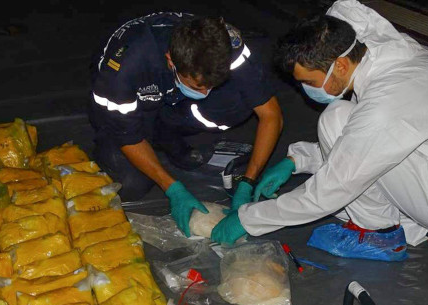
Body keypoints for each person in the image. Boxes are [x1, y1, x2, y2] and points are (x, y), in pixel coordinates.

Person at [211, 0, 428, 266]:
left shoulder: (388, 101)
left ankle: (379, 234)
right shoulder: (392, 60)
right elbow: (373, 140)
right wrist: (296, 161)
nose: (307, 90)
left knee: (335, 119)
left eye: (309, 82)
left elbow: (333, 187)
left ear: (339, 65)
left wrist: (249, 219)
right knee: (342, 119)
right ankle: (397, 221)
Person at [89, 12, 283, 237]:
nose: (205, 92)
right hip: (131, 102)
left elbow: (270, 114)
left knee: (235, 103)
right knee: (131, 183)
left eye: (211, 85)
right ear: (171, 60)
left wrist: (249, 181)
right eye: (198, 86)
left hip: (171, 94)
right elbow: (127, 135)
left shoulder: (226, 46)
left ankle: (165, 132)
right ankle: (142, 136)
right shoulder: (124, 68)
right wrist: (173, 189)